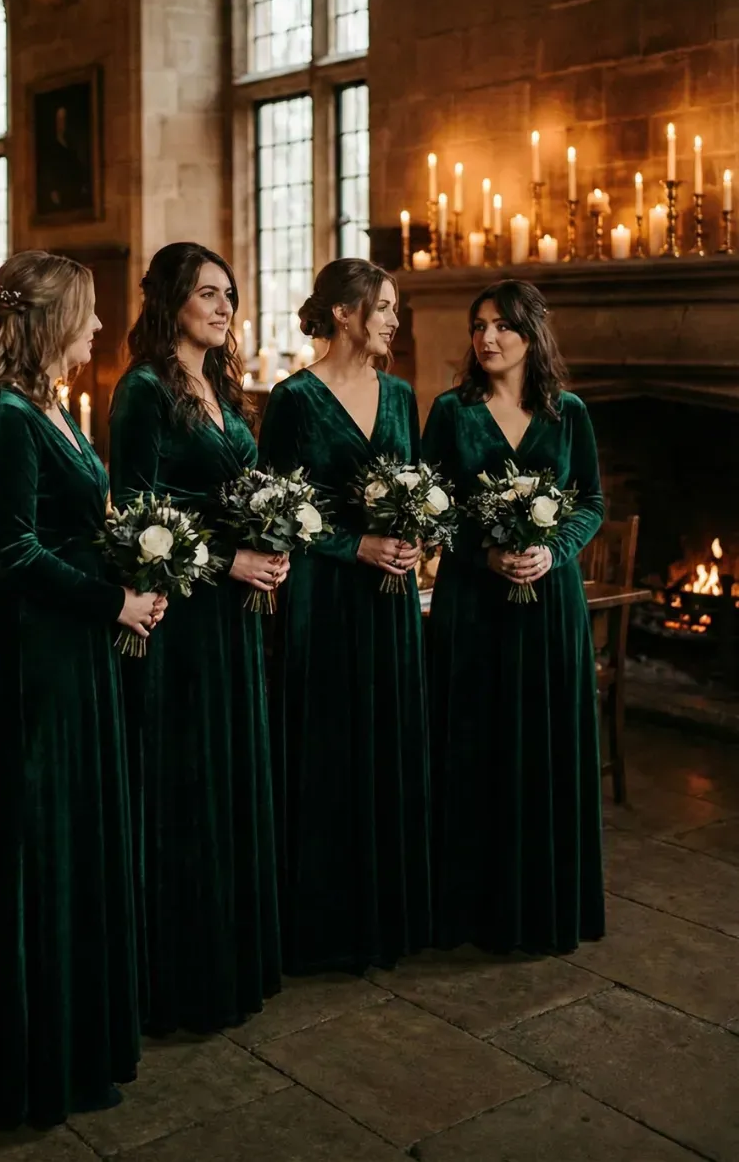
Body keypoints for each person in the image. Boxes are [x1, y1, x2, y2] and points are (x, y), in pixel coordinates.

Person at [0, 250, 163, 1128]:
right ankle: (29, 1061)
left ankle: (79, 1040)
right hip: (33, 662)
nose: (101, 329)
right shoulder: (2, 416)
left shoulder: (50, 406)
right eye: (87, 313)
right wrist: (117, 596)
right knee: (37, 845)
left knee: (76, 840)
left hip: (74, 655)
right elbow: (17, 555)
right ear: (47, 322)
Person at [108, 241, 283, 1035]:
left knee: (233, 772)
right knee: (189, 783)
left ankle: (232, 957)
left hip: (234, 619)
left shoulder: (216, 383)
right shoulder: (142, 391)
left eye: (230, 296)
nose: (223, 308)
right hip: (180, 619)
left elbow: (235, 490)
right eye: (208, 294)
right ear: (171, 300)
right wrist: (229, 557)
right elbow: (137, 521)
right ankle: (179, 978)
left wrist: (276, 534)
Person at [257, 259, 432, 974]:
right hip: (323, 602)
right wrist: (353, 543)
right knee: (327, 746)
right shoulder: (293, 399)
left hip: (389, 601)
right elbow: (274, 511)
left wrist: (417, 535)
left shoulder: (400, 396)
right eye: (384, 307)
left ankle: (385, 916)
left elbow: (416, 489)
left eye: (394, 308)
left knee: (387, 738)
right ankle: (323, 926)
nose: (393, 319)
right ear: (343, 313)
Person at [422, 278, 605, 955]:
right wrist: (484, 553)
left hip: (550, 607)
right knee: (476, 742)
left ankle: (546, 904)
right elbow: (432, 507)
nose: (487, 338)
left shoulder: (570, 414)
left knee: (545, 746)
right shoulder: (451, 412)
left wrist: (553, 553)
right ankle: (470, 910)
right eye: (478, 326)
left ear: (532, 335)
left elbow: (591, 502)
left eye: (502, 326)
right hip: (474, 605)